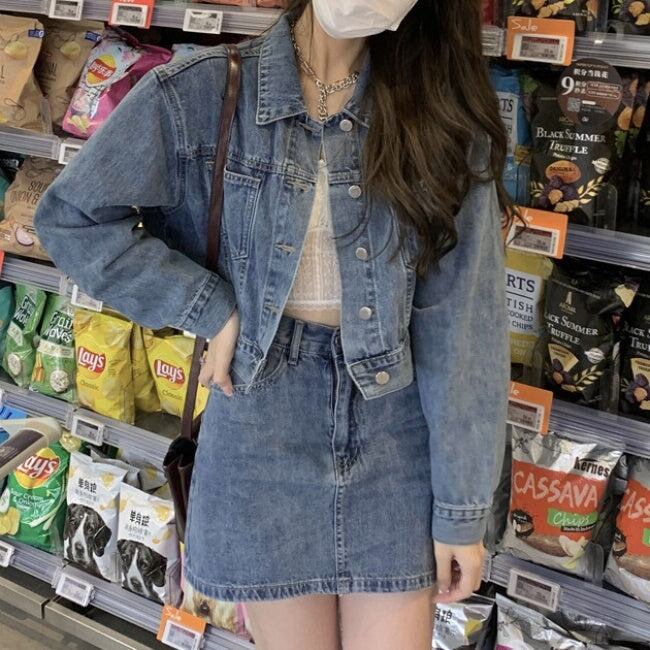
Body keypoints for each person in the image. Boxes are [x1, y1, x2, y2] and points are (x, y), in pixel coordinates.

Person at [35, 1, 510, 647]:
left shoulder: (438, 113)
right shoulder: (202, 91)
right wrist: (206, 305)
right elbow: (72, 218)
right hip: (260, 422)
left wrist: (461, 507)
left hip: (397, 436)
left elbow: (464, 322)